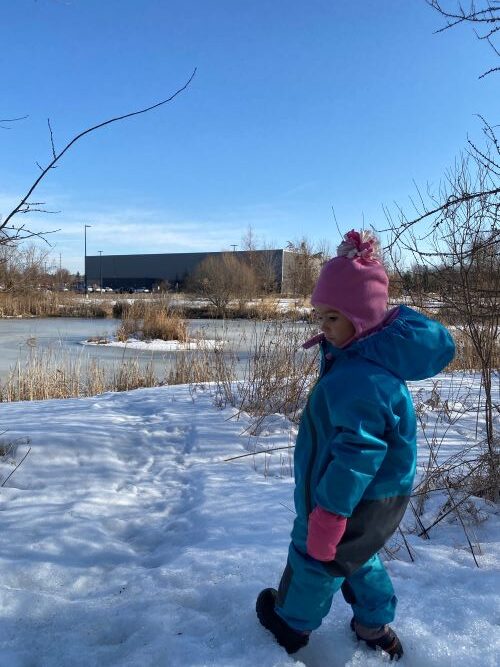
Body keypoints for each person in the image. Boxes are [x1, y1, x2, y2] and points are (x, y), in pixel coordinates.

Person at [256, 230, 455, 661]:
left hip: (349, 498)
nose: (322, 328)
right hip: (379, 499)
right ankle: (374, 622)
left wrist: (328, 513)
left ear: (362, 319)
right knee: (358, 555)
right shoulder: (362, 360)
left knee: (317, 557)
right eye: (320, 316)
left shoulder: (361, 380)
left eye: (333, 318)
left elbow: (356, 456)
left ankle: (291, 624)